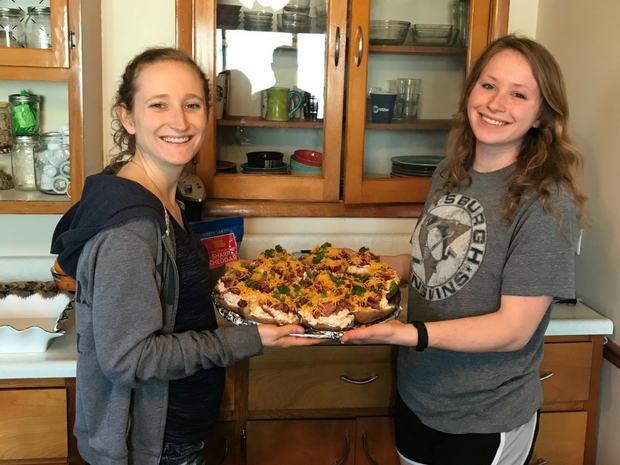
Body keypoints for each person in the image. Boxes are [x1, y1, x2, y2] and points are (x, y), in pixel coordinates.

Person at [50, 47, 320, 465]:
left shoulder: (167, 198)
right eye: (158, 105)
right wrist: (248, 339)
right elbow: (129, 358)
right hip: (152, 445)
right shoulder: (132, 228)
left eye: (191, 105)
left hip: (175, 432)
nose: (180, 121)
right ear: (127, 117)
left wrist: (244, 285)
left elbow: (170, 298)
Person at [341, 35, 588, 465]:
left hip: (484, 416)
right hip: (418, 395)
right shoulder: (449, 172)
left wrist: (408, 333)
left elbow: (514, 328)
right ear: (471, 90)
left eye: (519, 94)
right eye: (489, 85)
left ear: (540, 114)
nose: (496, 103)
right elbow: (429, 266)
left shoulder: (547, 200)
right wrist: (362, 267)